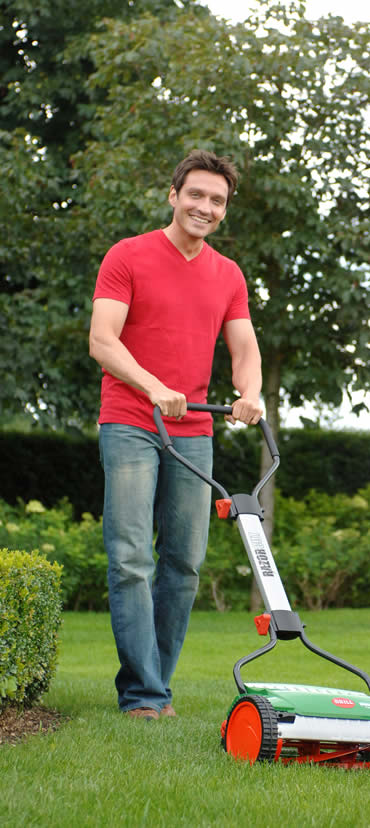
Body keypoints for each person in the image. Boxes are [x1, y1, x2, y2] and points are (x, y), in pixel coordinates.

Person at [89, 149, 262, 720]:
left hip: (193, 428)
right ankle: (144, 695)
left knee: (184, 562)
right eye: (196, 195)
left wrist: (249, 393)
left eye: (217, 200)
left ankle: (154, 685)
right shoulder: (128, 255)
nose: (205, 207)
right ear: (173, 195)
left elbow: (244, 347)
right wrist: (154, 386)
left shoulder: (227, 274)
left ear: (225, 209)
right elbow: (103, 340)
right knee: (131, 557)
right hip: (131, 420)